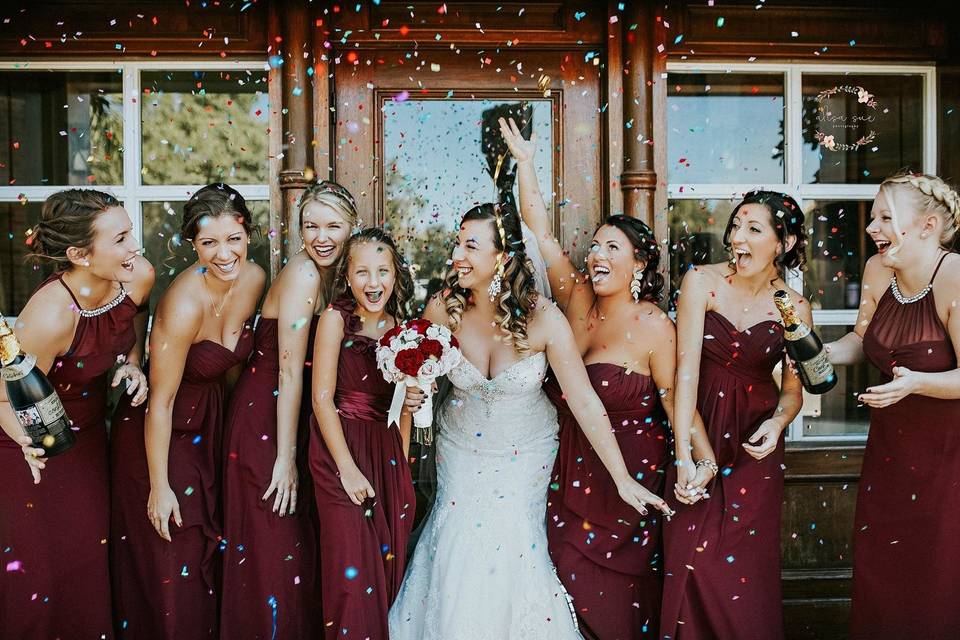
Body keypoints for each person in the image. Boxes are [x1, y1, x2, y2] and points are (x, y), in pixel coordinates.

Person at [388, 202, 672, 640]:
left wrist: (622, 478)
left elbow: (584, 401)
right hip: (460, 451)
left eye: (470, 246)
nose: (456, 256)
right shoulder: (444, 308)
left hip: (526, 456)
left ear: (501, 257)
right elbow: (417, 379)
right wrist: (412, 392)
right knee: (456, 542)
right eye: (456, 244)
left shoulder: (541, 316)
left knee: (514, 548)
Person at [501, 116, 699, 638]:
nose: (596, 254)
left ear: (640, 262)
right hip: (568, 466)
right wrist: (526, 165)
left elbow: (676, 396)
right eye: (595, 245)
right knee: (562, 585)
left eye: (612, 247)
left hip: (630, 474)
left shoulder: (655, 325)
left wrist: (691, 459)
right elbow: (539, 230)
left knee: (620, 607)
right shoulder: (576, 298)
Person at [111, 183, 264, 638]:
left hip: (211, 425)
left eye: (233, 239)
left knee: (211, 550)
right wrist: (159, 488)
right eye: (209, 242)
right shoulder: (182, 302)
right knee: (172, 553)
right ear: (192, 243)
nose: (224, 254)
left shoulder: (254, 278)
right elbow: (159, 402)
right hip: (161, 435)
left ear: (248, 234)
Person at [0, 189, 152, 639]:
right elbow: (3, 396)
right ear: (79, 255)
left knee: (86, 562)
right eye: (121, 239)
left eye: (130, 234)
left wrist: (133, 363)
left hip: (85, 438)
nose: (135, 248)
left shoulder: (138, 276)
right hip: (26, 442)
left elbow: (135, 322)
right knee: (38, 577)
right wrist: (27, 443)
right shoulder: (49, 317)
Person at [660, 190, 808, 640]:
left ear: (783, 243)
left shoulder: (795, 308)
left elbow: (793, 392)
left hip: (753, 450)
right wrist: (686, 458)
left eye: (753, 229)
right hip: (697, 426)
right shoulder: (701, 282)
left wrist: (778, 423)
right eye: (736, 226)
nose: (736, 237)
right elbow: (683, 373)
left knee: (744, 578)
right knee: (693, 562)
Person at [824, 171, 960, 639]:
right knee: (883, 570)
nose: (871, 228)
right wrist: (815, 354)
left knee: (938, 578)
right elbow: (864, 340)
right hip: (890, 455)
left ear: (927, 226)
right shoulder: (878, 270)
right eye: (873, 217)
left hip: (948, 459)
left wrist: (917, 383)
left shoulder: (954, 276)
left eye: (885, 217)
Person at [220, 181, 359, 639]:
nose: (321, 236)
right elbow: (287, 374)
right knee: (275, 549)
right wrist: (283, 459)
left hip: (295, 418)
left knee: (296, 551)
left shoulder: (340, 275)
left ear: (352, 227)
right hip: (267, 419)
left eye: (333, 226)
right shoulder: (303, 274)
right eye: (310, 225)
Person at [309, 228, 417, 639]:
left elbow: (402, 410)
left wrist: (402, 471)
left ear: (395, 275)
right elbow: (321, 399)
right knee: (352, 577)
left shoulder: (404, 328)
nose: (374, 284)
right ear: (347, 277)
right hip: (339, 449)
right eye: (363, 273)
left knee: (386, 570)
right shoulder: (335, 320)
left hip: (386, 451)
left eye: (383, 271)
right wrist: (347, 470)